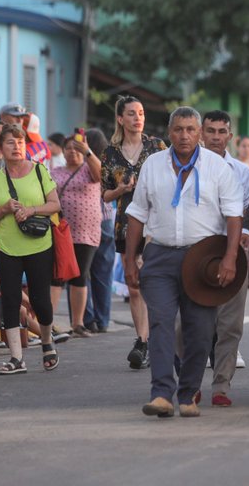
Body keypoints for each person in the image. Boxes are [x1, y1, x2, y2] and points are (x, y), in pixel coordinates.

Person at [124, 106, 245, 418]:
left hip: (202, 261)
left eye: (191, 129)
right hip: (160, 255)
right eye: (178, 129)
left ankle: (188, 393)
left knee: (200, 330)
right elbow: (137, 213)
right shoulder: (153, 165)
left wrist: (230, 258)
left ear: (200, 133)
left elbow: (234, 214)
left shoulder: (217, 168)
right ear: (169, 132)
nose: (185, 135)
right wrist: (129, 260)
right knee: (162, 323)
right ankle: (162, 393)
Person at [0, 123, 61, 374]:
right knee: (11, 300)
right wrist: (4, 209)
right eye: (10, 142)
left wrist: (32, 210)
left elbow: (55, 204)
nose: (16, 147)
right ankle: (16, 357)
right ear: (0, 148)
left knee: (41, 301)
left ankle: (47, 341)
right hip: (7, 248)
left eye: (20, 142)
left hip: (39, 245)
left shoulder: (38, 171)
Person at [102, 96, 167, 370]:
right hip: (126, 223)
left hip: (157, 221)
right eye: (131, 113)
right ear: (120, 119)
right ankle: (142, 340)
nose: (137, 118)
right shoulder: (110, 153)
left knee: (150, 280)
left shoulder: (157, 147)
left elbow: (175, 177)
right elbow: (105, 194)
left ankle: (154, 338)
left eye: (140, 113)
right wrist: (121, 190)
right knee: (134, 285)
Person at [200, 110, 249, 408]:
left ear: (230, 136)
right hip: (196, 254)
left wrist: (244, 231)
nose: (217, 137)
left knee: (230, 324)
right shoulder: (188, 168)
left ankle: (221, 385)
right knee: (192, 323)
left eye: (222, 132)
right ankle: (189, 381)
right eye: (211, 131)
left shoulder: (243, 172)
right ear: (201, 134)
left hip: (234, 251)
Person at [50, 133, 103, 336]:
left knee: (80, 275)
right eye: (68, 148)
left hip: (86, 232)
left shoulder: (89, 168)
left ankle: (78, 323)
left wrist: (87, 152)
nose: (72, 151)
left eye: (76, 148)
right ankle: (48, 322)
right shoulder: (55, 172)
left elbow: (101, 175)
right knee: (56, 276)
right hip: (61, 231)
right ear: (62, 152)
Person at [82, 129, 115, 334]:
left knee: (84, 273)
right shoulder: (110, 161)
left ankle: (90, 319)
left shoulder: (85, 163)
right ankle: (101, 319)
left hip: (89, 223)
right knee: (101, 273)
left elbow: (100, 178)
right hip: (105, 220)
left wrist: (85, 153)